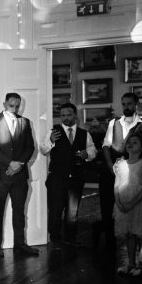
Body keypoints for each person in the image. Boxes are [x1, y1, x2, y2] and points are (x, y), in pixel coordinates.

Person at [0, 93, 38, 257]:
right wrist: (10, 163)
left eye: (17, 106)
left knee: (19, 212)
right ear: (4, 103)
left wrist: (19, 164)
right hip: (0, 176)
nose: (14, 109)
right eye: (11, 105)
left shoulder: (25, 122)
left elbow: (30, 148)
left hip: (19, 176)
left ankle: (20, 245)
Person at [39, 102, 97, 249]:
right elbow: (43, 150)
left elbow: (93, 151)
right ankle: (55, 239)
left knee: (72, 211)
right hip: (57, 178)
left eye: (69, 114)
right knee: (56, 210)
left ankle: (70, 238)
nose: (65, 118)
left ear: (75, 116)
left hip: (76, 178)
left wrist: (87, 154)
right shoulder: (53, 132)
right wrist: (51, 141)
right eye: (63, 115)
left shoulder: (84, 134)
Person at [100, 92, 142, 252]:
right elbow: (106, 145)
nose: (126, 107)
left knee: (129, 204)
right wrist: (111, 165)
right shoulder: (114, 122)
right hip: (111, 170)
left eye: (130, 104)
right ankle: (109, 240)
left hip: (132, 170)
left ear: (136, 104)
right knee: (107, 204)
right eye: (124, 104)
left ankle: (131, 243)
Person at [114, 134, 142, 276]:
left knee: (140, 233)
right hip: (124, 202)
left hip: (139, 202)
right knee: (129, 233)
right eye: (129, 142)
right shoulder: (120, 164)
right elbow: (117, 184)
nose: (130, 145)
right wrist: (119, 202)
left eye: (135, 142)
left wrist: (133, 202)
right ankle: (131, 263)